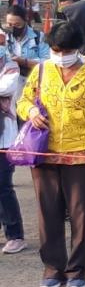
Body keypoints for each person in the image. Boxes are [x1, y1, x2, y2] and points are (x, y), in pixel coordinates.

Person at [18, 21, 85, 287]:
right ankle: (52, 268)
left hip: (83, 155)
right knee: (48, 213)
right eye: (56, 49)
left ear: (78, 48)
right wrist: (31, 113)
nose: (60, 55)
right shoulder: (42, 70)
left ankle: (77, 271)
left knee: (81, 214)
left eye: (65, 50)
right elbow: (23, 101)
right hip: (45, 154)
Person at [0, 34, 25, 255]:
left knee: (3, 186)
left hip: (4, 139)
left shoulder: (11, 68)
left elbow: (5, 89)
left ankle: (15, 234)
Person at [6, 5, 50, 88]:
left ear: (25, 20)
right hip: (7, 86)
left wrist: (24, 62)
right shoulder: (4, 38)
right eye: (10, 24)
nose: (13, 28)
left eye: (17, 25)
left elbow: (47, 63)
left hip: (32, 84)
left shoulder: (38, 37)